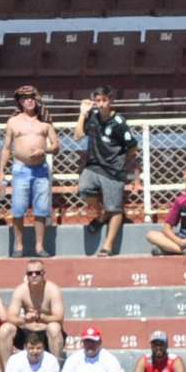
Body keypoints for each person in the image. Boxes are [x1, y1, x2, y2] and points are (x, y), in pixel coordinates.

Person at [69, 87, 138, 255]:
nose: (101, 104)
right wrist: (82, 113)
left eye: (104, 100)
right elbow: (77, 136)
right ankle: (102, 214)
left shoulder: (119, 122)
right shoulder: (91, 116)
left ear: (111, 101)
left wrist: (119, 162)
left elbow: (132, 147)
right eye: (98, 101)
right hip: (93, 166)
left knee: (115, 208)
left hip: (113, 170)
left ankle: (108, 245)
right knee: (84, 190)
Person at [0, 85, 58, 256]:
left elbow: (56, 146)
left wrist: (44, 150)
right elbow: (6, 147)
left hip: (40, 169)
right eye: (25, 98)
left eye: (32, 97)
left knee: (41, 210)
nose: (29, 101)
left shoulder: (45, 121)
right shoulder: (13, 121)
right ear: (20, 102)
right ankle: (18, 245)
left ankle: (39, 246)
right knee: (18, 209)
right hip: (21, 169)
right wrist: (2, 170)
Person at [0, 263, 64, 360]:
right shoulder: (20, 290)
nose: (33, 276)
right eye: (30, 273)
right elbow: (10, 317)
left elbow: (59, 317)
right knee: (5, 329)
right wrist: (24, 320)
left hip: (46, 333)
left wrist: (41, 317)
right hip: (27, 332)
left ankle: (56, 370)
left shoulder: (53, 290)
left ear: (43, 274)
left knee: (54, 327)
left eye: (37, 273)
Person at [148, 175, 186, 257]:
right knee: (151, 235)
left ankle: (169, 249)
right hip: (182, 238)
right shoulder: (180, 201)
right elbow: (166, 228)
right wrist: (178, 241)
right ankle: (184, 251)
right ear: (184, 192)